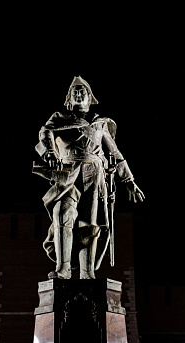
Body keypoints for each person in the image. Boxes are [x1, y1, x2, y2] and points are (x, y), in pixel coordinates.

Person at [33, 76, 145, 280]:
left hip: (94, 177)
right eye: (74, 91)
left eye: (82, 91)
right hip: (67, 172)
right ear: (69, 98)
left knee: (89, 225)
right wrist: (50, 152)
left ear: (90, 97)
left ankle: (87, 272)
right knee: (62, 213)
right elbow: (45, 132)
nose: (78, 93)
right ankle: (63, 268)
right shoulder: (60, 118)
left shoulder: (100, 125)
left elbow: (116, 154)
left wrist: (129, 182)